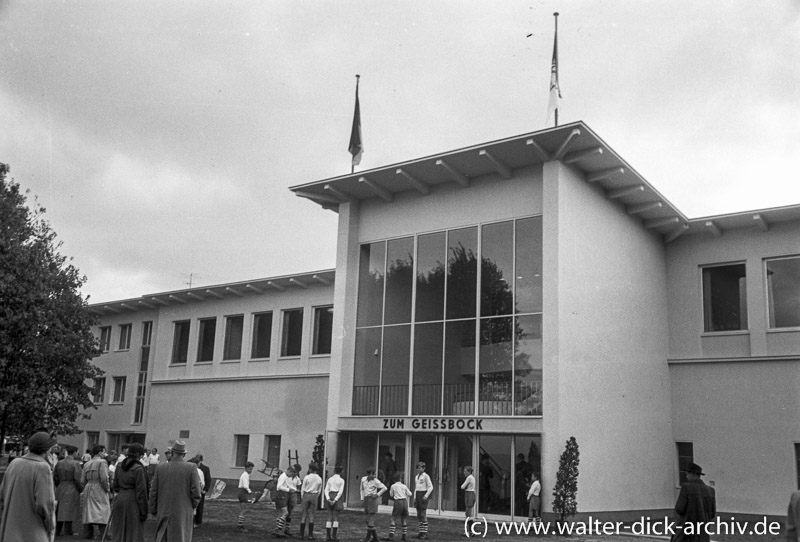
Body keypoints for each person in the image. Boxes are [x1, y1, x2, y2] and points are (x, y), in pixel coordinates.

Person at [0, 431, 57, 542]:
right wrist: (51, 525)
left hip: (10, 529)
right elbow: (44, 503)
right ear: (48, 449)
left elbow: (2, 495)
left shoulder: (14, 463)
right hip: (33, 530)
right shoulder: (42, 467)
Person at [149, 439, 202, 542]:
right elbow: (196, 492)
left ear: (172, 452)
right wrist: (190, 506)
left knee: (162, 537)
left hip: (163, 510)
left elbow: (153, 491)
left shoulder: (161, 468)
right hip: (183, 512)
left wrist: (153, 509)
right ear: (184, 454)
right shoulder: (191, 468)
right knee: (181, 537)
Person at [109, 442, 149, 542]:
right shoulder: (138, 469)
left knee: (119, 528)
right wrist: (144, 510)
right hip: (133, 500)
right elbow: (141, 491)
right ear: (139, 455)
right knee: (133, 530)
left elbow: (115, 485)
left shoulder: (119, 466)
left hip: (120, 498)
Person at [672, 462, 716, 542]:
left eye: (687, 474)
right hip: (703, 534)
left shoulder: (686, 487)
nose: (686, 476)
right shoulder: (711, 491)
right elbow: (712, 514)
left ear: (692, 474)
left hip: (687, 532)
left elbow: (679, 509)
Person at [81, 443, 112, 540]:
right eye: (104, 451)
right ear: (100, 452)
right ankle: (103, 533)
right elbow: (103, 478)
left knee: (89, 510)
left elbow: (82, 480)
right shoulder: (102, 462)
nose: (105, 454)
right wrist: (107, 489)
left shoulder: (87, 463)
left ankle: (88, 533)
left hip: (88, 486)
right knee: (102, 510)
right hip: (98, 486)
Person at [54, 445, 84, 536]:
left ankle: (57, 529)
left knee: (59, 509)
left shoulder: (59, 463)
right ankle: (68, 529)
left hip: (61, 486)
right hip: (71, 486)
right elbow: (77, 478)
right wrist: (80, 488)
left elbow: (55, 476)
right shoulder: (75, 464)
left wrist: (58, 484)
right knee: (70, 509)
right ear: (74, 452)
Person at [360, 467, 387, 542]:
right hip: (366, 498)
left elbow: (384, 488)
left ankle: (367, 537)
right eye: (373, 474)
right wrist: (362, 499)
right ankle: (375, 538)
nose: (374, 475)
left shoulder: (376, 481)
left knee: (371, 518)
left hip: (372, 499)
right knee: (367, 519)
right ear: (368, 474)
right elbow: (361, 489)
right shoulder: (363, 479)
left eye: (375, 474)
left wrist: (377, 495)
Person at [386, 471, 412, 541]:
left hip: (398, 502)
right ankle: (404, 536)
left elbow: (391, 495)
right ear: (401, 479)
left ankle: (391, 536)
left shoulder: (393, 486)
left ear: (394, 479)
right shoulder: (404, 486)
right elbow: (410, 494)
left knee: (393, 518)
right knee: (404, 519)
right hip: (404, 502)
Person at [300, 462, 323, 539]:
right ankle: (310, 535)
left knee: (304, 514)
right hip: (314, 495)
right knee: (312, 515)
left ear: (310, 469)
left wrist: (302, 496)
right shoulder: (319, 478)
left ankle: (301, 534)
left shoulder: (307, 477)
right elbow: (319, 490)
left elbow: (303, 488)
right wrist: (316, 495)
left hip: (306, 494)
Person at [236, 461, 260, 532]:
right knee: (244, 510)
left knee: (243, 509)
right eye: (250, 469)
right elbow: (245, 486)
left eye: (251, 469)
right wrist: (250, 492)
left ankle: (240, 524)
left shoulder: (244, 474)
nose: (251, 471)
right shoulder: (245, 475)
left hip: (241, 492)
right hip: (243, 492)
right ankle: (240, 525)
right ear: (246, 468)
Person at [324, 464, 345, 542]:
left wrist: (328, 499)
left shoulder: (330, 479)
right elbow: (340, 491)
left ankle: (327, 536)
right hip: (337, 497)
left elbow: (326, 490)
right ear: (341, 471)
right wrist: (335, 500)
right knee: (336, 517)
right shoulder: (342, 480)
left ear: (334, 470)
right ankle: (334, 536)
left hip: (330, 495)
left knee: (329, 516)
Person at [274, 466, 296, 537]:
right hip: (281, 495)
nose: (291, 476)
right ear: (289, 471)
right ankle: (279, 530)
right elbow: (279, 486)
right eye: (291, 474)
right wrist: (288, 490)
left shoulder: (285, 476)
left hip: (282, 495)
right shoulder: (283, 476)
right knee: (285, 513)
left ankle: (277, 528)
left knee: (281, 514)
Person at [413, 462, 433, 539]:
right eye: (417, 468)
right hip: (418, 495)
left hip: (423, 494)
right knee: (418, 514)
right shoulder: (416, 477)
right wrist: (415, 497)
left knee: (423, 514)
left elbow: (430, 487)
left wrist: (426, 496)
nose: (419, 469)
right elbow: (416, 488)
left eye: (420, 468)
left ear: (424, 468)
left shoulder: (426, 476)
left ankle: (424, 533)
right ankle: (420, 532)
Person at [194, 454, 212, 527]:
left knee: (200, 506)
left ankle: (198, 521)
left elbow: (208, 480)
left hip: (201, 489)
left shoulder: (205, 469)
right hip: (197, 488)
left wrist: (205, 489)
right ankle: (194, 521)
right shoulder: (193, 468)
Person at [460, 466, 476, 531]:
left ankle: (471, 531)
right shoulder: (471, 477)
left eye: (465, 471)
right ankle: (470, 530)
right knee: (468, 513)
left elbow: (462, 487)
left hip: (469, 494)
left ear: (469, 472)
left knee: (468, 513)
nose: (464, 473)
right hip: (470, 494)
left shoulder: (469, 478)